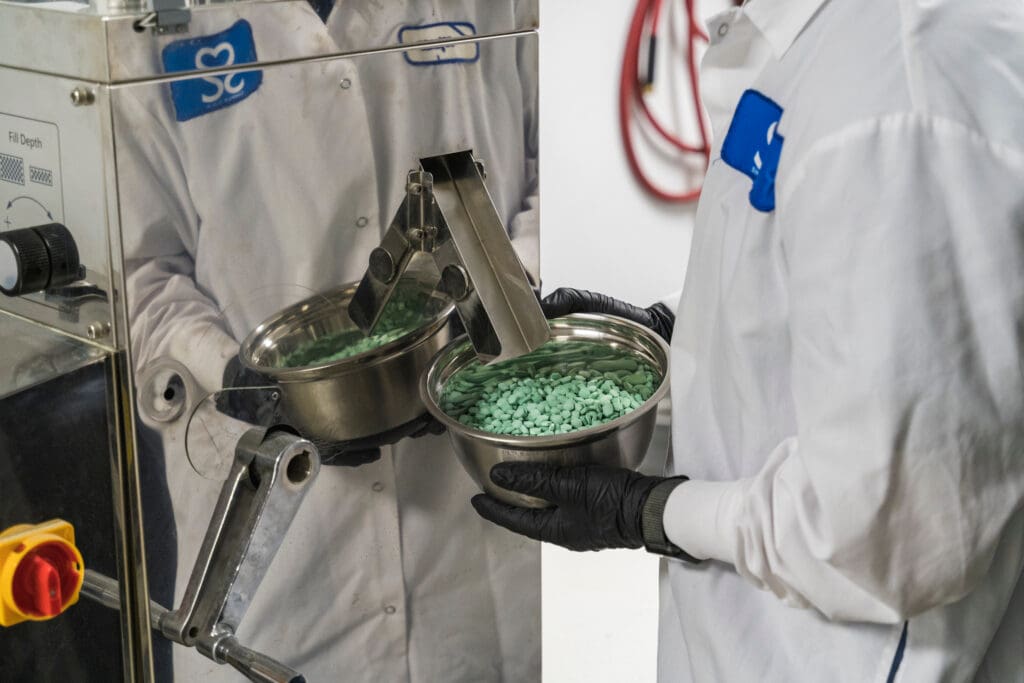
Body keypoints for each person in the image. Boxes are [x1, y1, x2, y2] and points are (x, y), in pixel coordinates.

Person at [473, 1, 1024, 681]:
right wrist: (679, 329)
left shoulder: (895, 99)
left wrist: (649, 510)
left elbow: (891, 533)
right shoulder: (809, 44)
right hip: (750, 637)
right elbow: (831, 285)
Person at [115, 1, 540, 681]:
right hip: (279, 553)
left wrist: (503, 297)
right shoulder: (152, 23)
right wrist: (235, 377)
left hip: (473, 527)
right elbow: (137, 269)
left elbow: (560, 168)